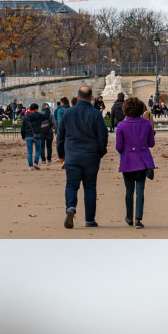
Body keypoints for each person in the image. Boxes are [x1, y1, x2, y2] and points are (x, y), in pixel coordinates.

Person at [57, 86, 109, 229]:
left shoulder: (67, 113)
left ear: (78, 97)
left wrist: (61, 154)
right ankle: (89, 219)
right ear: (92, 98)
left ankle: (71, 208)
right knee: (90, 187)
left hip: (72, 155)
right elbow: (103, 135)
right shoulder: (96, 114)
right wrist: (101, 151)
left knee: (71, 185)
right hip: (91, 155)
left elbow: (60, 136)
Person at [115, 95, 155, 228]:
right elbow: (151, 143)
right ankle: (138, 218)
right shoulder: (147, 123)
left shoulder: (121, 125)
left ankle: (129, 217)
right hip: (143, 159)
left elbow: (118, 147)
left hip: (127, 160)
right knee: (140, 190)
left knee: (129, 190)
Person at [21, 103, 45, 169]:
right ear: (35, 109)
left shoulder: (26, 116)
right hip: (37, 135)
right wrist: (47, 109)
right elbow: (47, 116)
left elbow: (23, 127)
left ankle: (30, 166)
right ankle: (36, 163)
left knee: (29, 152)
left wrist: (23, 136)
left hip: (28, 136)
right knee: (38, 150)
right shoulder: (39, 115)